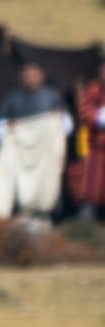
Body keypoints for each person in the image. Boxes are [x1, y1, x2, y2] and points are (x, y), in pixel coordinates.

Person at [0, 61, 69, 220]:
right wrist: (8, 128)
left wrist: (57, 119)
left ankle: (46, 213)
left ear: (41, 76)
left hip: (44, 153)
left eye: (33, 75)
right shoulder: (11, 99)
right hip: (19, 152)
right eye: (26, 76)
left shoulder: (53, 97)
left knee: (47, 187)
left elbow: (65, 126)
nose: (30, 78)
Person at [77, 60, 105, 220]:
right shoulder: (93, 89)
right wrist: (99, 118)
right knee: (92, 185)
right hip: (96, 148)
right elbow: (84, 111)